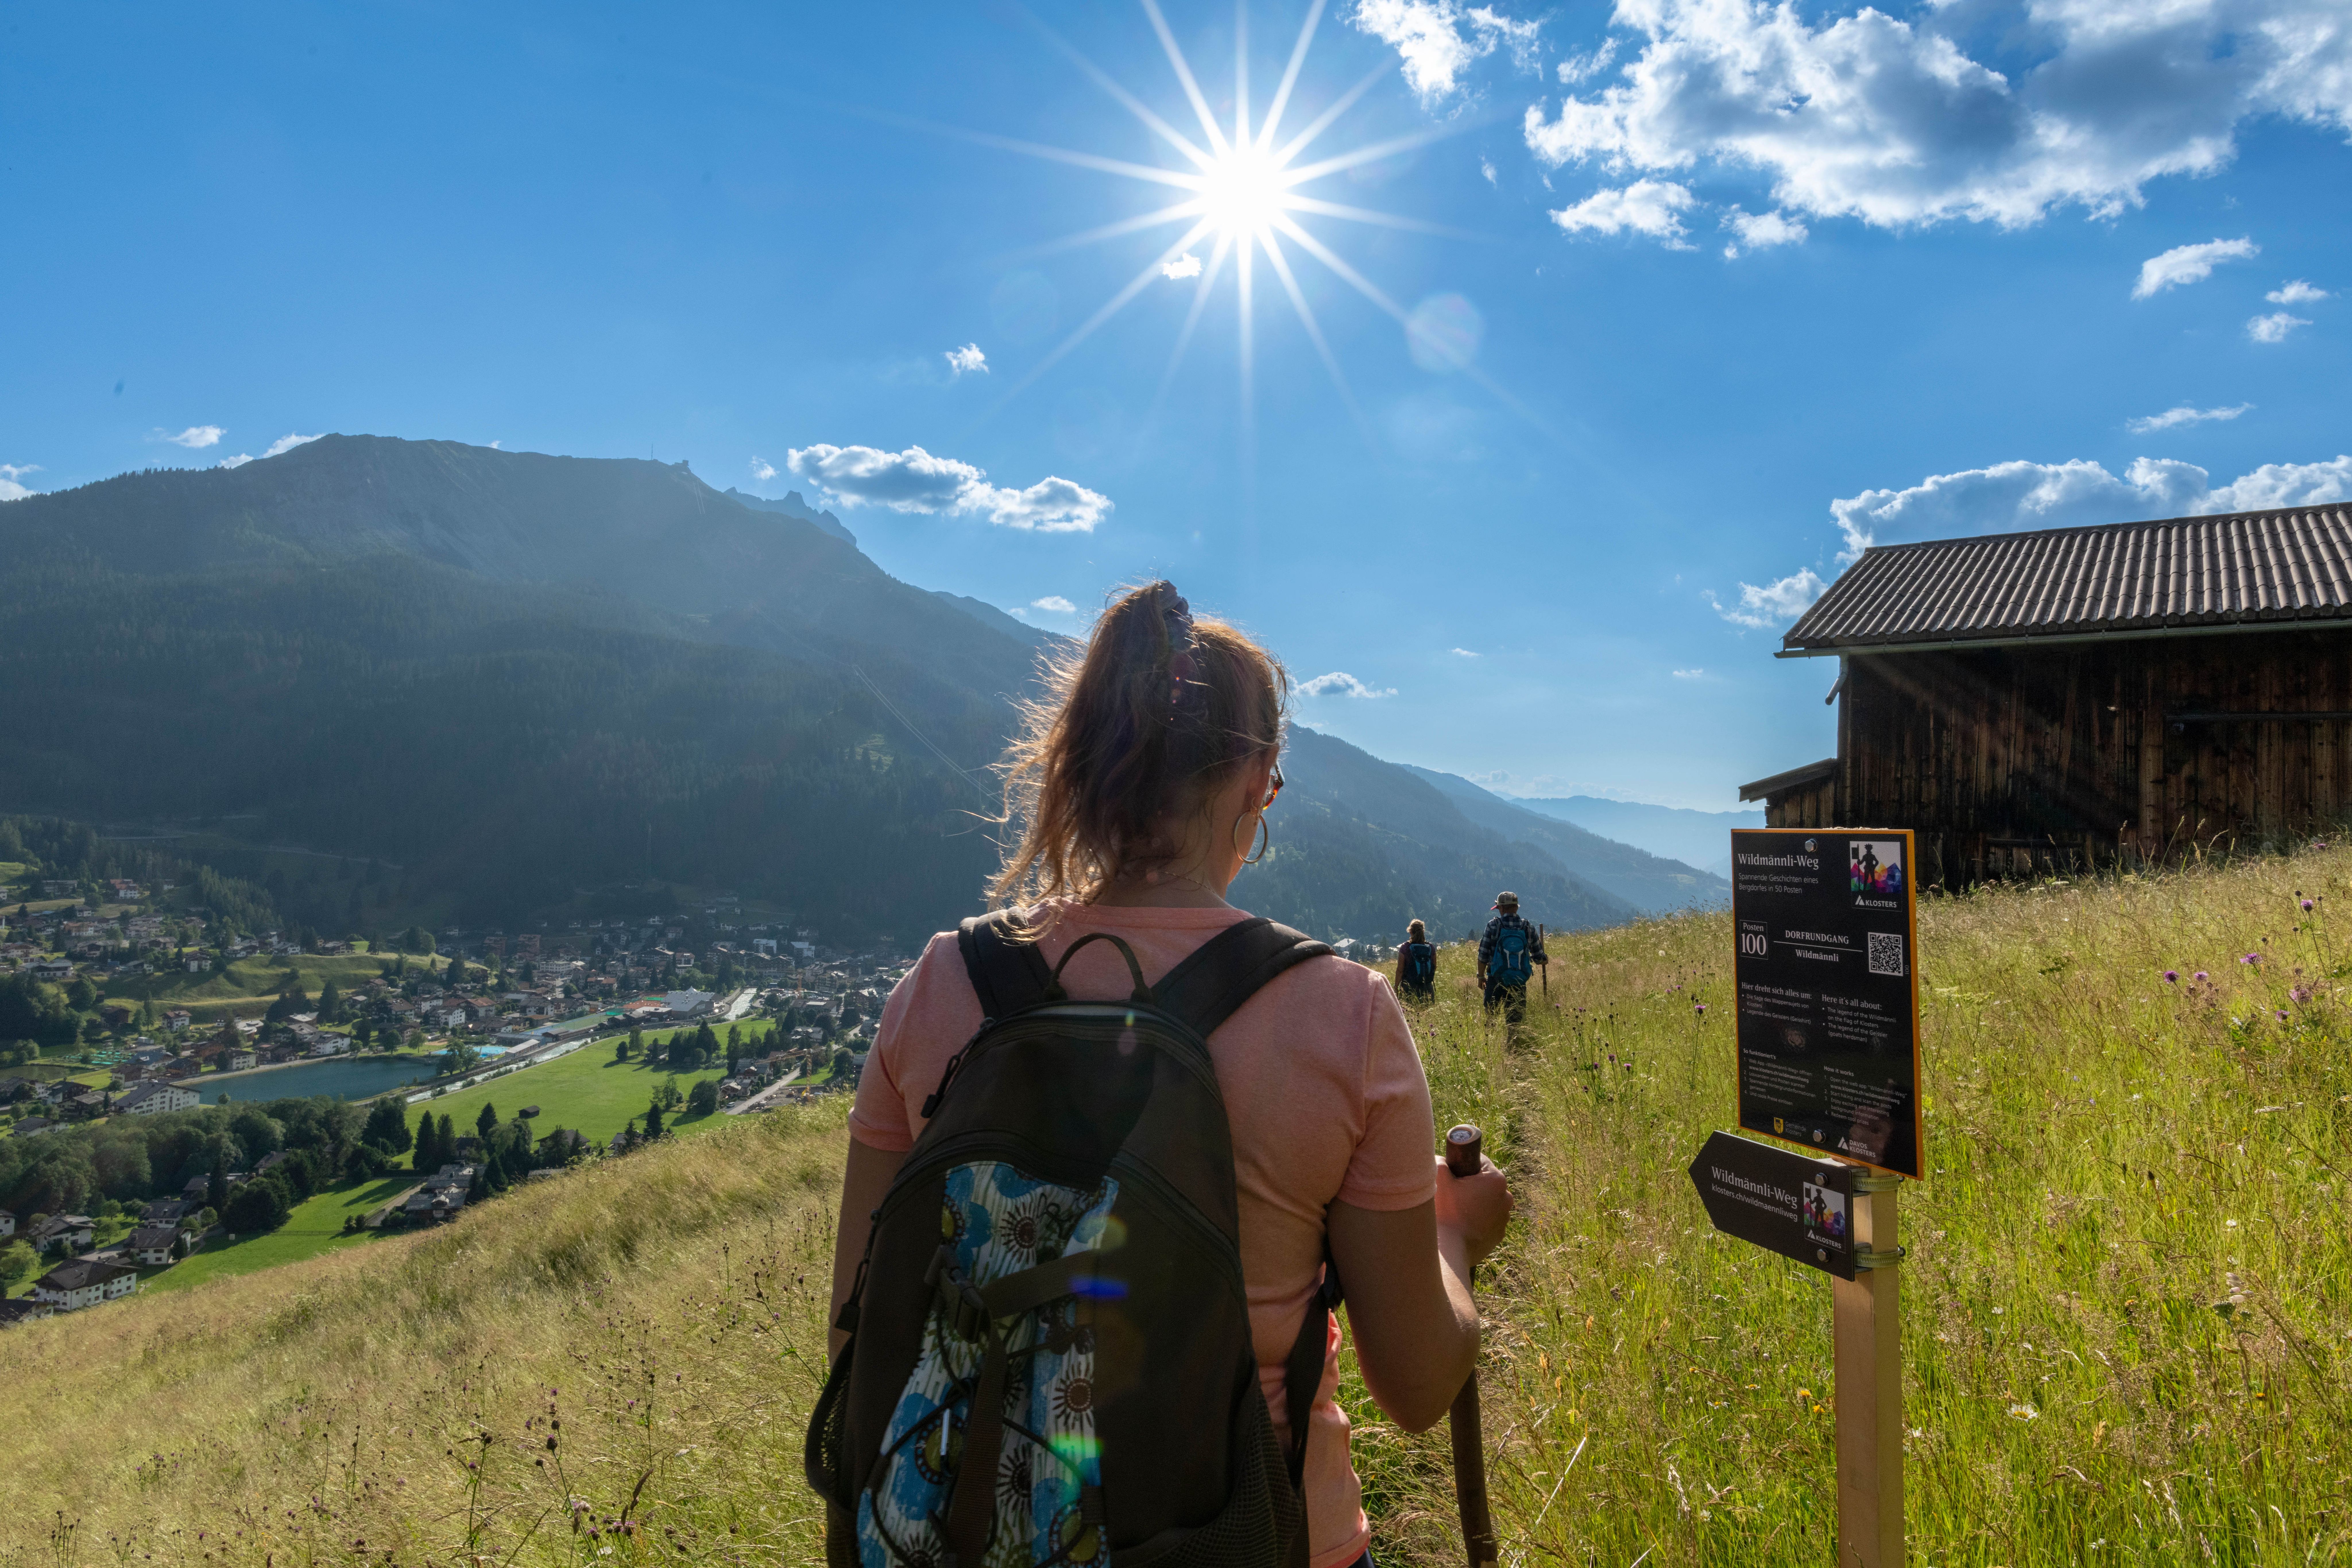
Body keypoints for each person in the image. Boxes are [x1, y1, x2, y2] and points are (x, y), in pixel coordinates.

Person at [826, 581, 1511, 1568]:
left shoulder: (938, 985)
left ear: (1078, 760)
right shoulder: (1342, 1015)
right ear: (1259, 781)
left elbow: (860, 1343)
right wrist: (1454, 1234)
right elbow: (1415, 1383)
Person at [1475, 892, 1546, 1024]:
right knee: (1515, 1023)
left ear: (1502, 908)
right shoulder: (1528, 927)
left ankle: (1491, 1037)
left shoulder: (1493, 925)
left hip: (1495, 979)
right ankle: (1513, 1037)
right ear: (1517, 907)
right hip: (1518, 981)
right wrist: (1544, 959)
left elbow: (1483, 956)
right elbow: (1539, 959)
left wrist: (1481, 978)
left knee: (1491, 1020)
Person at [1392, 919, 1437, 1004]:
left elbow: (1400, 970)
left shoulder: (1405, 948)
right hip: (1427, 988)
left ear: (1410, 932)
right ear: (1423, 931)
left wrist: (1396, 987)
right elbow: (1434, 967)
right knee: (1428, 1011)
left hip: (1409, 988)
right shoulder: (1431, 947)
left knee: (1409, 1012)